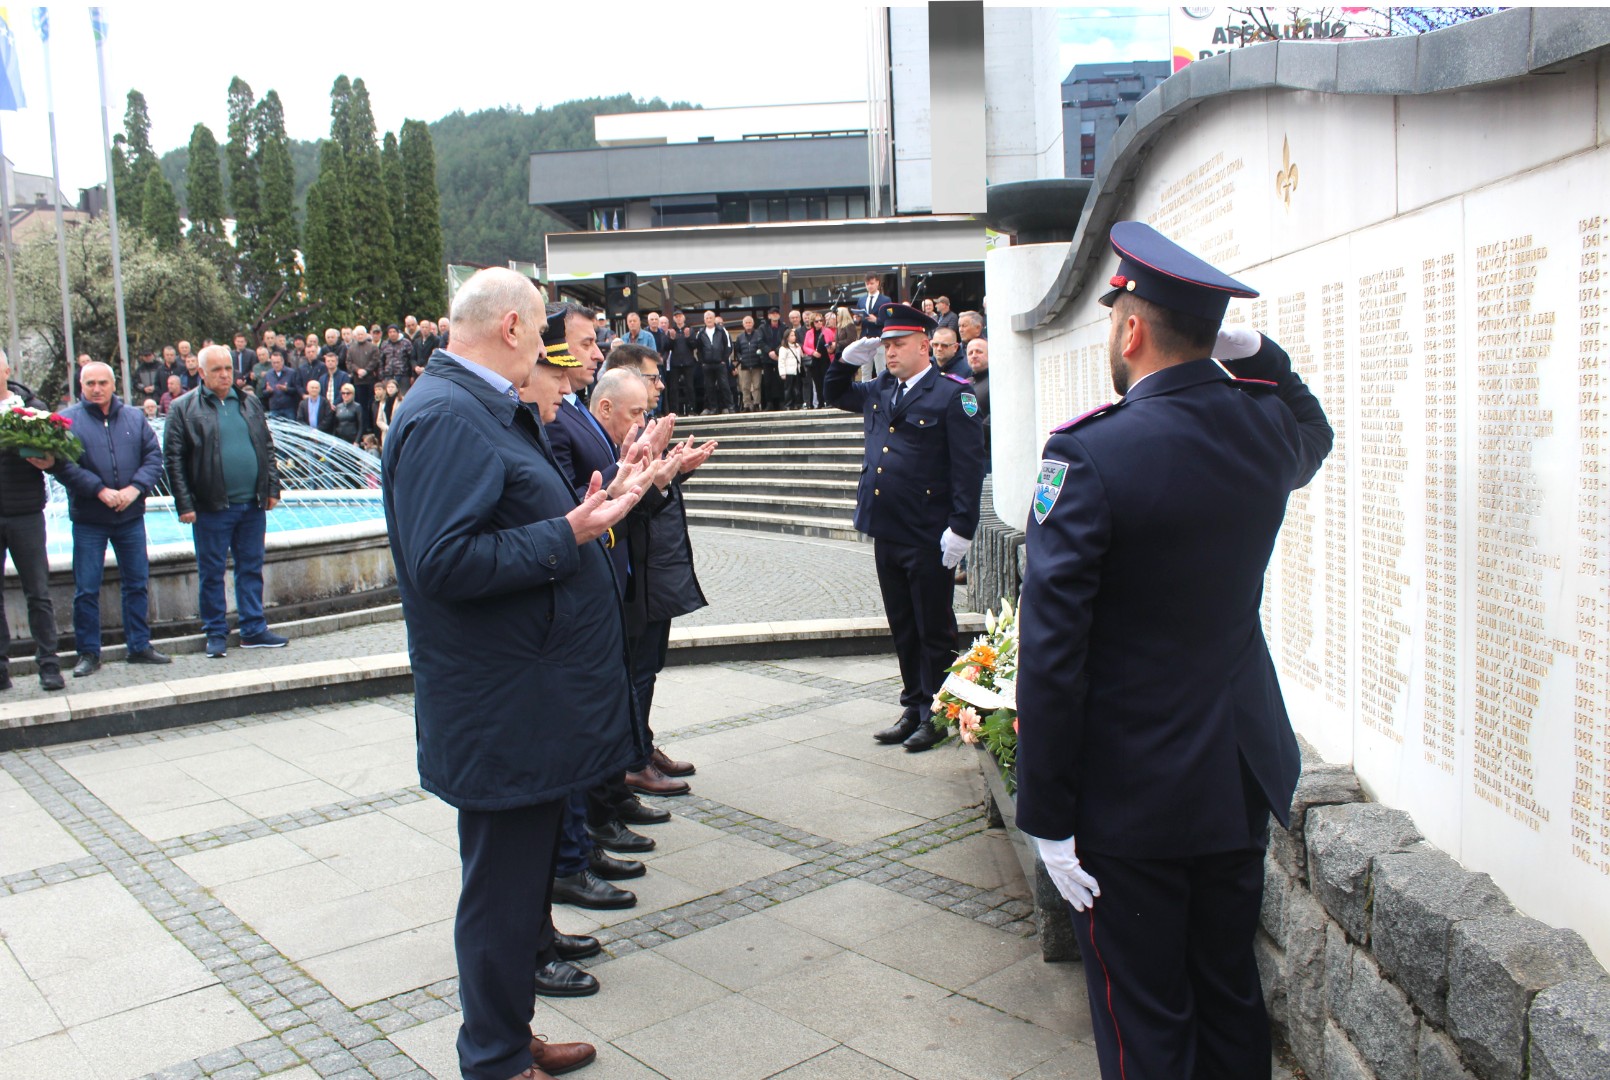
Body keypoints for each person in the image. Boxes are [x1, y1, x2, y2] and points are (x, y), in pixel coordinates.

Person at [1014, 222, 1333, 1080]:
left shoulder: (1090, 454)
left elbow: (1052, 654)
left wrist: (1046, 814)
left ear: (1130, 329)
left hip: (1132, 799)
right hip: (1236, 775)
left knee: (1146, 1022)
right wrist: (1258, 351)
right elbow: (1315, 426)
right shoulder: (1264, 432)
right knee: (1229, 999)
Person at [383, 267, 641, 1080]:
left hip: (522, 698)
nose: (553, 347)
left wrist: (590, 515)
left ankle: (504, 1034)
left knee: (518, 886)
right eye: (543, 330)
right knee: (500, 891)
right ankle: (493, 1059)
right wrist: (566, 531)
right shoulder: (449, 415)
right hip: (501, 706)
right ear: (512, 330)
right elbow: (441, 563)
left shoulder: (474, 406)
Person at [825, 303, 984, 752]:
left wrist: (962, 529)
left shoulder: (953, 394)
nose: (889, 352)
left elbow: (968, 469)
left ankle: (939, 712)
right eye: (885, 345)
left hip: (930, 533)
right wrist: (845, 360)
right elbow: (835, 392)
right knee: (902, 624)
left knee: (934, 627)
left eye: (897, 345)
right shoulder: (880, 389)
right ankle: (913, 705)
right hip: (887, 528)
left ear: (922, 345)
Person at [163, 345, 289, 660]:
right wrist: (185, 504)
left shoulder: (249, 402)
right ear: (201, 373)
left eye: (228, 369)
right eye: (217, 370)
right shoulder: (184, 408)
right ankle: (216, 633)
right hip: (210, 506)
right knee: (211, 571)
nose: (224, 375)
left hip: (251, 504)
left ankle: (253, 629)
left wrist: (272, 487)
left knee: (251, 567)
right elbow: (174, 459)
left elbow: (266, 446)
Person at [55, 362, 171, 677]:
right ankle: (89, 654)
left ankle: (139, 646)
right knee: (86, 588)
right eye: (90, 383)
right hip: (90, 517)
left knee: (136, 583)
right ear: (81, 385)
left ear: (113, 384)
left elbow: (153, 456)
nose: (96, 388)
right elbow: (63, 466)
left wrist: (135, 489)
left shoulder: (134, 417)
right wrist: (99, 490)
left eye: (102, 382)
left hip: (130, 515)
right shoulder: (68, 421)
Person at [0, 351, 65, 691]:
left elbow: (57, 459)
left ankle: (49, 666)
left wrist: (48, 459)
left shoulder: (31, 406)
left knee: (38, 593)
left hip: (25, 512)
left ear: (7, 370)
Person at [694, 310, 734, 415]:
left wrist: (724, 360)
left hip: (720, 364)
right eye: (706, 318)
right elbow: (698, 349)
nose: (709, 320)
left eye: (710, 318)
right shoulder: (700, 332)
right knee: (709, 387)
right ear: (704, 320)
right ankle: (713, 408)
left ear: (714, 318)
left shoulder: (722, 330)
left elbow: (728, 346)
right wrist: (702, 362)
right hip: (707, 365)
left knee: (724, 385)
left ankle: (730, 407)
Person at [663, 310, 697, 416]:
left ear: (684, 317)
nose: (678, 318)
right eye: (676, 317)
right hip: (675, 362)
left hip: (688, 362)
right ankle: (675, 411)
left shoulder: (690, 330)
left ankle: (691, 409)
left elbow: (694, 345)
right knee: (674, 388)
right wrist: (672, 339)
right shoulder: (671, 331)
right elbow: (667, 347)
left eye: (680, 316)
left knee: (690, 387)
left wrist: (688, 338)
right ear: (674, 319)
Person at [733, 314, 767, 412]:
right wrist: (741, 358)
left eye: (750, 322)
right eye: (746, 323)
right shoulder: (740, 337)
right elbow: (737, 350)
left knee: (757, 385)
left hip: (757, 364)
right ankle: (746, 405)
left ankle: (756, 404)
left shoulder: (758, 334)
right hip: (744, 365)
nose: (748, 324)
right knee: (745, 386)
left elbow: (761, 347)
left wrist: (760, 356)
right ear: (743, 324)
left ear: (753, 324)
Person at [261, 353, 299, 421]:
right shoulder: (268, 374)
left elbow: (297, 390)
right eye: (274, 363)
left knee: (290, 430)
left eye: (278, 362)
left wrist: (286, 389)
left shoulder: (292, 373)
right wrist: (268, 391)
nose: (276, 365)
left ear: (282, 362)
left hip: (289, 409)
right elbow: (263, 392)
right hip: (274, 408)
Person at [778, 328, 804, 409]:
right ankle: (788, 404)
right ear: (787, 337)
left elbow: (801, 357)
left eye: (794, 335)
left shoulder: (797, 346)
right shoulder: (783, 348)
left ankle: (797, 403)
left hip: (797, 370)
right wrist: (782, 373)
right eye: (792, 335)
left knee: (797, 388)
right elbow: (781, 361)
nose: (794, 337)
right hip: (788, 371)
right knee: (788, 389)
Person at [374, 378, 404, 443]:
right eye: (388, 387)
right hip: (386, 432)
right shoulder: (383, 402)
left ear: (397, 389)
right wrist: (386, 428)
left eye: (392, 387)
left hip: (398, 430)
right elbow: (379, 420)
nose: (390, 389)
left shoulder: (402, 401)